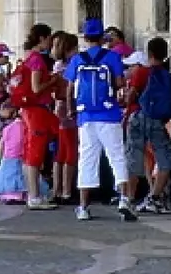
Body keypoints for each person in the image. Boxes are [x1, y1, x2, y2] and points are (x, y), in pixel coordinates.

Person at [66, 18, 138, 222]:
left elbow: (70, 87)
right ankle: (125, 198)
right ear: (102, 37)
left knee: (87, 160)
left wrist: (72, 110)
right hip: (109, 114)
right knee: (117, 157)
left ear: (85, 37)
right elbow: (119, 82)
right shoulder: (112, 57)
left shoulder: (77, 60)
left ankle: (83, 206)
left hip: (86, 116)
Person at [122, 35, 171, 213]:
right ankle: (155, 196)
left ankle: (128, 198)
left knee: (134, 158)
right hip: (157, 121)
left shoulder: (142, 72)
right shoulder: (168, 74)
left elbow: (131, 96)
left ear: (149, 53)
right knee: (165, 159)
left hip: (138, 117)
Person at [9, 25, 60, 207]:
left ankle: (34, 193)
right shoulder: (37, 60)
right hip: (37, 109)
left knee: (31, 150)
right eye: (48, 39)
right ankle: (35, 196)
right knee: (35, 152)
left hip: (29, 110)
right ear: (42, 38)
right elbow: (36, 88)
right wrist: (53, 80)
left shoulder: (28, 57)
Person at [48, 30, 81, 206]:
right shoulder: (72, 67)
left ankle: (56, 189)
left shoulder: (57, 66)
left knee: (59, 152)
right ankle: (67, 191)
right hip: (69, 110)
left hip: (58, 110)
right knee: (70, 151)